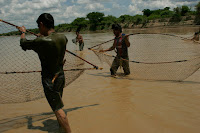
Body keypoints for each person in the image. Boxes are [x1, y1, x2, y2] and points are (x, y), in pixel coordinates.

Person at [18, 13, 71, 133]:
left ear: (41, 24)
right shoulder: (63, 37)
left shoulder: (41, 41)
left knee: (57, 108)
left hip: (49, 79)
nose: (38, 28)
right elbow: (49, 43)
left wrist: (22, 32)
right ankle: (61, 129)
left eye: (38, 25)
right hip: (60, 76)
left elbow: (23, 44)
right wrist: (40, 36)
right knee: (58, 104)